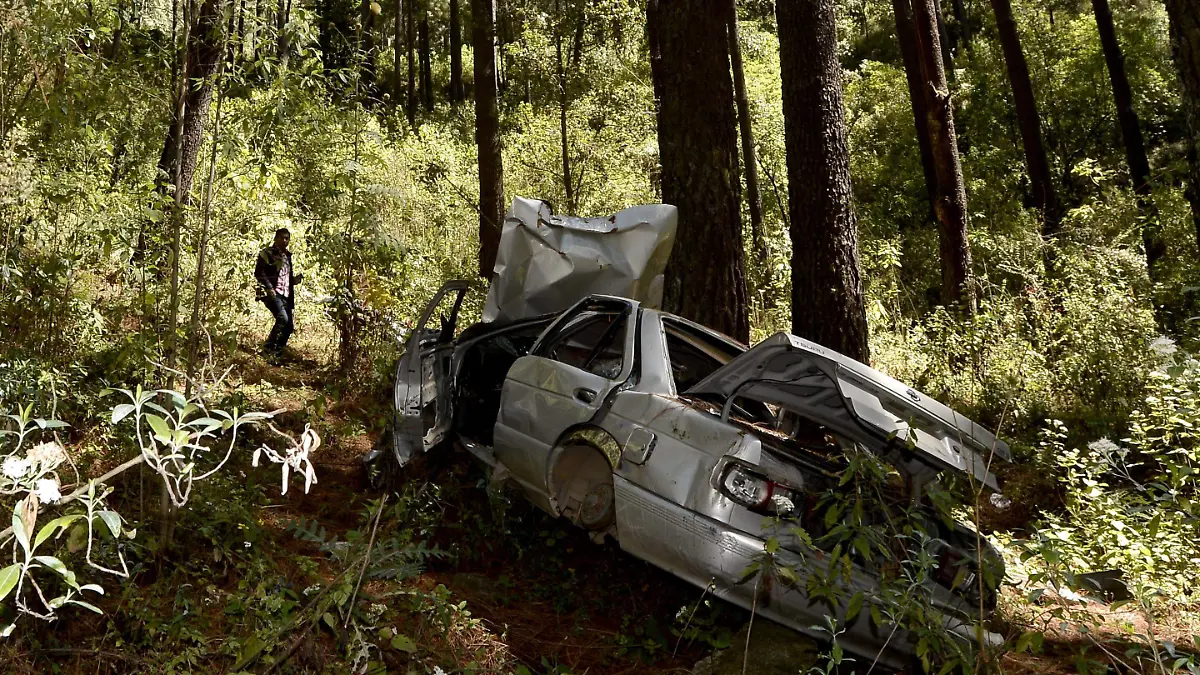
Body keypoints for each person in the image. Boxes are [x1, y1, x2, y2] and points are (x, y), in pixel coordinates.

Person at [254, 228, 303, 362]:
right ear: (276, 238)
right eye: (282, 237)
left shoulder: (287, 256)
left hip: (285, 294)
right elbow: (259, 272)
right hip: (273, 292)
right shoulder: (267, 253)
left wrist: (294, 281)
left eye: (287, 238)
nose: (285, 240)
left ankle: (276, 353)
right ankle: (267, 350)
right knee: (283, 318)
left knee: (288, 326)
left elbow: (284, 277)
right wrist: (269, 288)